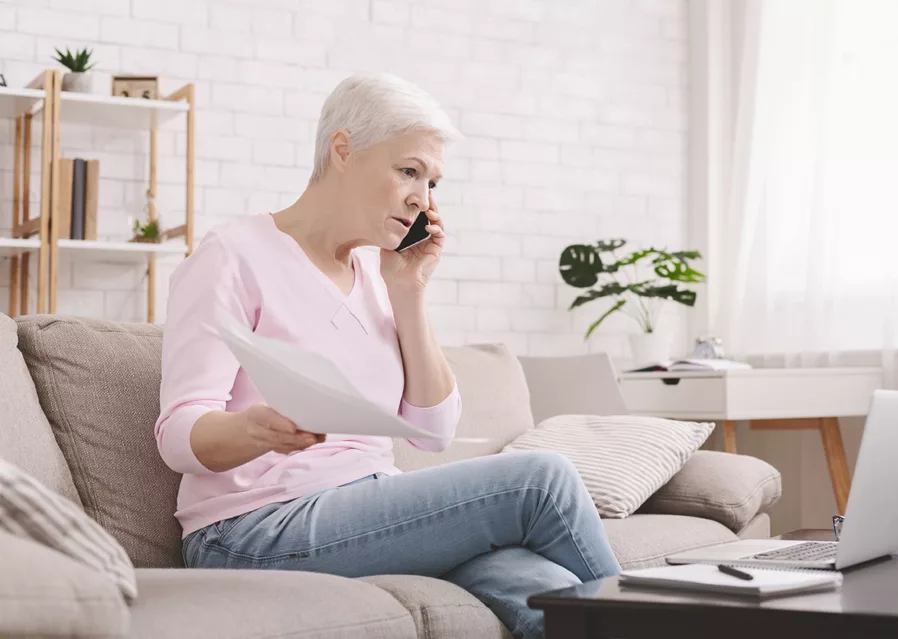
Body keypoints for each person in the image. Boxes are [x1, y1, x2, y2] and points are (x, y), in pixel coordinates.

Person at [155, 73, 620, 639]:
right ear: (343, 149)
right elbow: (179, 434)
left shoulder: (381, 273)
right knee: (542, 481)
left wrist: (409, 289)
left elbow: (433, 431)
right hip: (248, 530)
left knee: (546, 590)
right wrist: (255, 430)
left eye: (432, 182)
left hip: (366, 508)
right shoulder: (233, 255)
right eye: (409, 171)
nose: (423, 199)